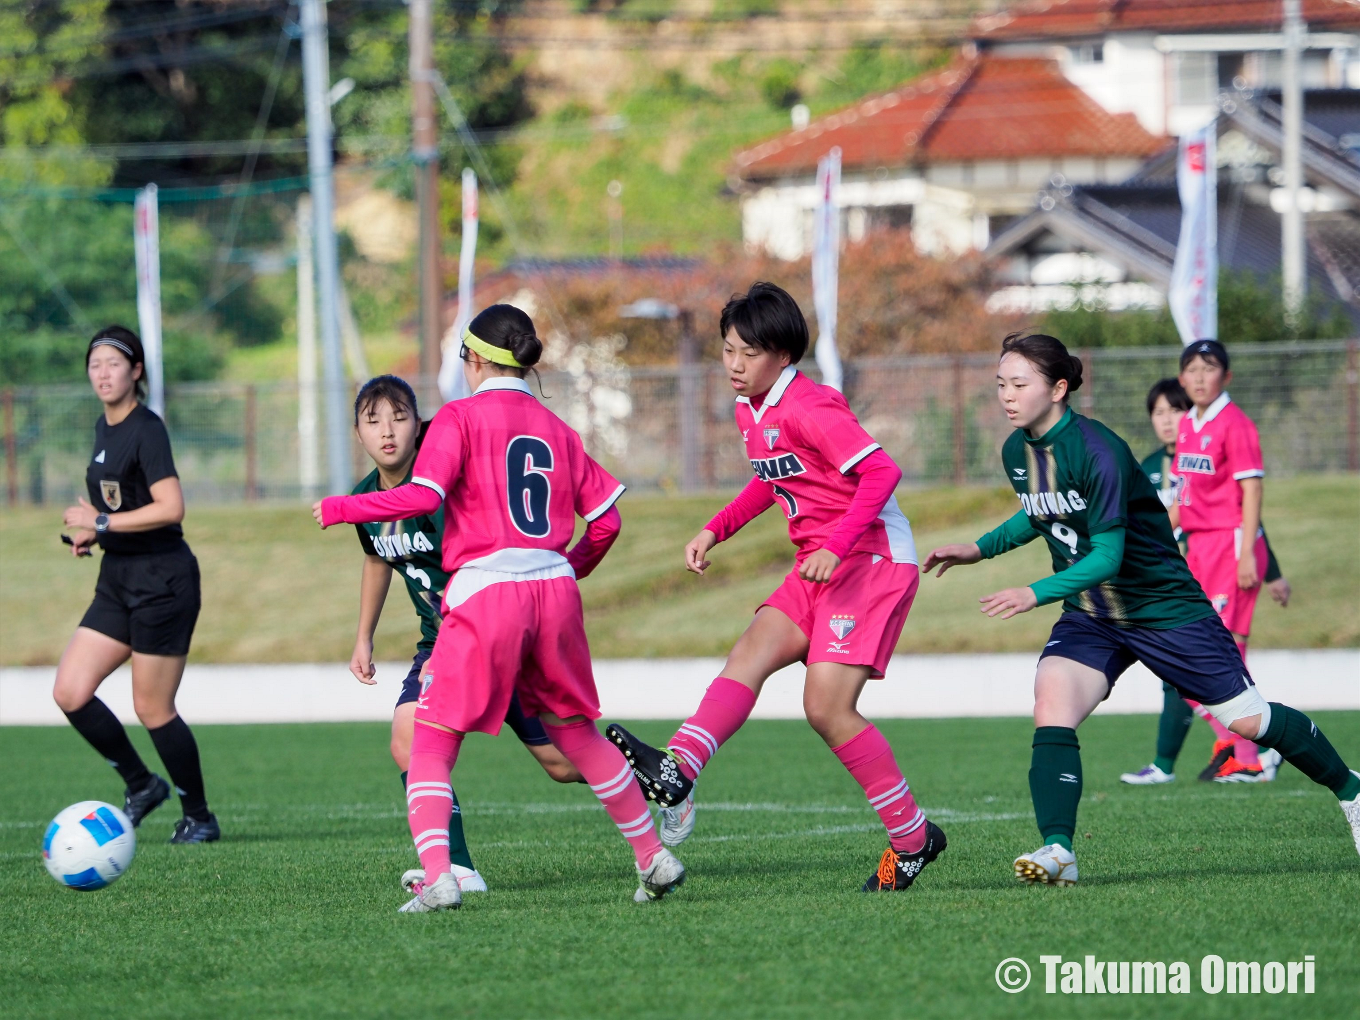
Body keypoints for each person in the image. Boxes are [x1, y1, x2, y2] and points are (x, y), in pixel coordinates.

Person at [922, 332, 1360, 887]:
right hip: (1092, 614)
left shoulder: (1098, 450)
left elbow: (1107, 555)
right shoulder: (1017, 451)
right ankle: (1059, 850)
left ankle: (1352, 790)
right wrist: (979, 548)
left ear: (1058, 388)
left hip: (1165, 609)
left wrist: (1033, 592)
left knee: (1248, 720)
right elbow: (1041, 514)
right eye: (1000, 385)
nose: (1006, 395)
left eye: (1019, 384)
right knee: (1052, 701)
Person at [314, 304, 684, 912]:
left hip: (487, 592)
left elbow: (420, 494)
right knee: (575, 737)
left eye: (462, 358)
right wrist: (568, 566)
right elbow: (608, 519)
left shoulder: (458, 418)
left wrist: (339, 508)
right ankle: (653, 857)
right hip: (554, 592)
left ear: (476, 359)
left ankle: (440, 877)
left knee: (429, 741)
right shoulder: (555, 426)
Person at [604, 282, 945, 893]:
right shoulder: (751, 409)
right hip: (819, 562)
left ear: (783, 355)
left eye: (748, 353)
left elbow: (882, 473)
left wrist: (837, 545)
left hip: (870, 561)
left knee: (825, 709)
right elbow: (771, 480)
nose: (734, 365)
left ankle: (913, 840)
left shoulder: (810, 407)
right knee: (750, 653)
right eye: (728, 350)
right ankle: (678, 768)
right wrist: (715, 529)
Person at [346, 374, 582, 895]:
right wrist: (364, 635)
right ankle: (458, 868)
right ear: (358, 433)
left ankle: (657, 776)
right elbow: (376, 557)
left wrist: (455, 639)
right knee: (410, 738)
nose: (387, 431)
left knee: (564, 762)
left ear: (419, 424)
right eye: (373, 420)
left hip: (490, 629)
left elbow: (475, 561)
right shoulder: (366, 499)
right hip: (443, 641)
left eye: (399, 417)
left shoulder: (442, 486)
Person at [54, 326, 218, 844]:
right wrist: (92, 534)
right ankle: (141, 785)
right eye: (95, 364)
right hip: (118, 578)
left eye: (114, 364)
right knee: (71, 692)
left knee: (152, 708)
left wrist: (100, 523)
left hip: (162, 582)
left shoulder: (147, 429)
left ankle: (199, 816)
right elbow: (123, 506)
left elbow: (171, 508)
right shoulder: (105, 429)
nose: (103, 373)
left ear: (137, 372)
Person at [1120, 375, 1290, 786]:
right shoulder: (1149, 466)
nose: (1167, 419)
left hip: (1215, 561)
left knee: (1209, 663)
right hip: (1184, 569)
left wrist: (1270, 570)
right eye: (1158, 412)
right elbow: (1167, 515)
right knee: (1183, 669)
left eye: (1174, 410)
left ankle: (1250, 752)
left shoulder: (1220, 439)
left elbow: (1245, 510)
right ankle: (1245, 749)